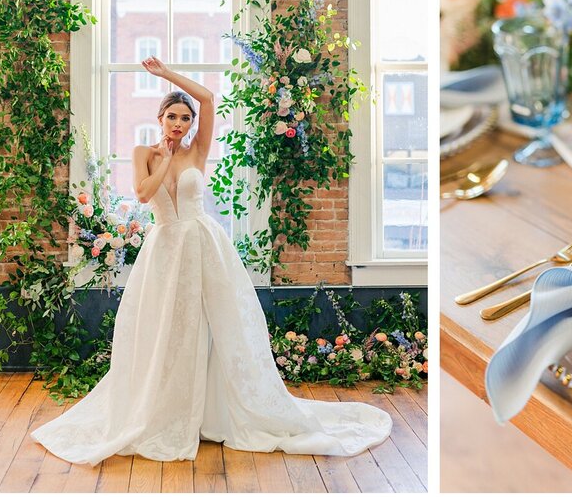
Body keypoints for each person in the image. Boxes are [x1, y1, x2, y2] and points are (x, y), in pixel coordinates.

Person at [30, 57, 391, 465]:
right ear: (160, 118)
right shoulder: (143, 153)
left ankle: (214, 413)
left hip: (203, 244)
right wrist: (165, 157)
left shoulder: (199, 149)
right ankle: (166, 411)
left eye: (185, 118)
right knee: (167, 329)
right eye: (172, 117)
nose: (180, 124)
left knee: (220, 326)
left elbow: (208, 96)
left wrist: (166, 74)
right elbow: (144, 193)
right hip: (165, 250)